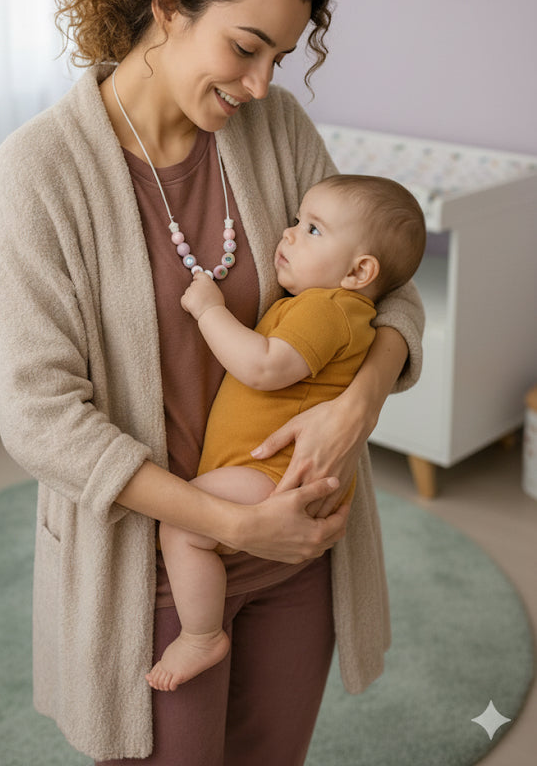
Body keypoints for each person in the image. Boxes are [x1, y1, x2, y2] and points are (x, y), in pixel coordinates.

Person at [0, 0, 424, 766]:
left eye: (280, 59)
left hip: (295, 545)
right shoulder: (40, 171)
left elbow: (385, 290)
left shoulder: (278, 131)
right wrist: (222, 526)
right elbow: (40, 419)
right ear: (168, 8)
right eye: (246, 48)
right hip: (147, 570)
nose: (263, 85)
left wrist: (360, 402)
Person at [146, 173, 426, 692]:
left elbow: (264, 367)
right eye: (296, 220)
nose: (289, 233)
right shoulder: (326, 306)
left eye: (313, 230)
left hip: (274, 476)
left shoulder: (330, 310)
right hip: (276, 473)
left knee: (181, 528)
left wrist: (209, 310)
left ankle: (201, 634)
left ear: (360, 271)